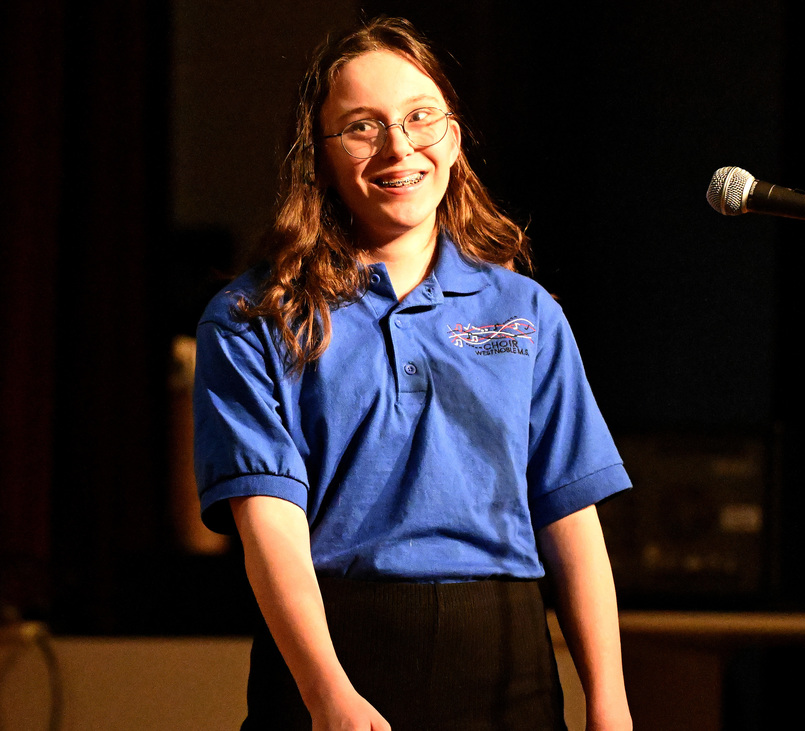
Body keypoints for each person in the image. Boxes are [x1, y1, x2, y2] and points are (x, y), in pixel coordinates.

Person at [192, 15, 632, 731]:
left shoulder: (526, 311)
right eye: (362, 127)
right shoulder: (252, 317)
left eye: (420, 117)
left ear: (453, 138)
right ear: (320, 156)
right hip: (333, 657)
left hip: (506, 664)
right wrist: (325, 692)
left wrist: (609, 702)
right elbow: (269, 526)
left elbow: (570, 518)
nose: (399, 146)